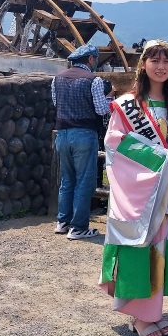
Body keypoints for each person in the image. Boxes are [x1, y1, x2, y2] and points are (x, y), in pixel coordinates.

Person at [98, 40, 168, 336]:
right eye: (154, 60)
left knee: (162, 247)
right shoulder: (128, 103)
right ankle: (138, 315)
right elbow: (115, 142)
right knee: (140, 245)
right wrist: (162, 158)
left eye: (166, 61)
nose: (160, 66)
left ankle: (152, 312)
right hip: (140, 192)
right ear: (144, 65)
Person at [52, 43, 109, 240]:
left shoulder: (57, 78)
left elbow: (55, 103)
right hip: (84, 134)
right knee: (85, 181)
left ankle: (62, 222)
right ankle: (78, 227)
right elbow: (102, 110)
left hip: (62, 135)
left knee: (67, 179)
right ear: (91, 59)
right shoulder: (93, 80)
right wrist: (110, 99)